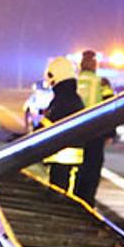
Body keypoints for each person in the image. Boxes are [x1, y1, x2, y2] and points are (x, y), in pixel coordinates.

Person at [38, 56, 85, 193]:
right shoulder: (71, 97)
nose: (51, 84)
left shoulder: (63, 99)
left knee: (59, 194)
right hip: (65, 158)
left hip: (62, 158)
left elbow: (49, 123)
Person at [73, 49, 115, 205]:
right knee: (91, 171)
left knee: (75, 169)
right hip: (95, 134)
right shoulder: (102, 83)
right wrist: (110, 133)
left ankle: (74, 199)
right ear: (95, 65)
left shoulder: (73, 82)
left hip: (74, 134)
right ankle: (87, 202)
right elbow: (110, 107)